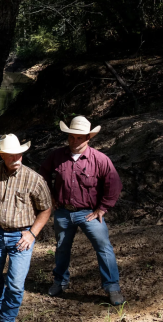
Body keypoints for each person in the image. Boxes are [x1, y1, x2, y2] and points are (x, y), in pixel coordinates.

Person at [0, 134, 53, 322]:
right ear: (2, 156)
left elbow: (46, 209)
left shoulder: (34, 179)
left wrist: (32, 234)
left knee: (16, 282)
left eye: (19, 154)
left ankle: (8, 319)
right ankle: (0, 309)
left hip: (21, 235)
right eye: (10, 155)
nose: (15, 158)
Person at [39, 116, 125, 305]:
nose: (75, 141)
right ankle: (60, 281)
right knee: (62, 249)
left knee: (103, 247)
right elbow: (42, 174)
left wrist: (102, 208)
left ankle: (112, 287)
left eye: (80, 137)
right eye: (72, 137)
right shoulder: (56, 155)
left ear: (88, 138)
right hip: (63, 211)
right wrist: (50, 196)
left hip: (89, 213)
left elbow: (114, 183)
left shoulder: (100, 159)